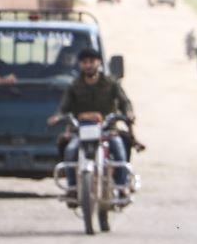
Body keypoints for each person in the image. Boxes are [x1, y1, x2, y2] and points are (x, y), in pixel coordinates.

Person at [46, 48, 135, 201]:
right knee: (70, 151)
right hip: (81, 131)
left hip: (107, 130)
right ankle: (73, 188)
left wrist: (128, 113)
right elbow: (63, 107)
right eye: (85, 62)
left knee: (119, 149)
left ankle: (121, 187)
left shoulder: (111, 83)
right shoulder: (74, 86)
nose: (88, 65)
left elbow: (124, 102)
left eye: (91, 62)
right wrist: (57, 117)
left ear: (99, 63)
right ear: (80, 65)